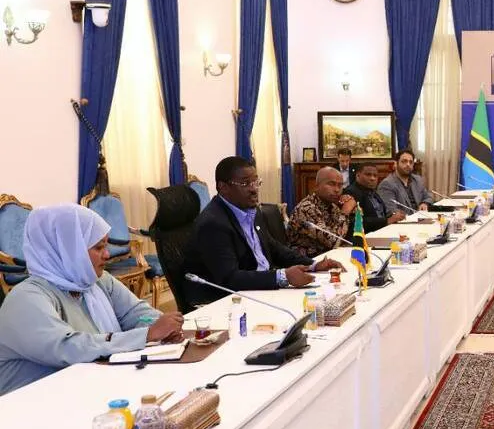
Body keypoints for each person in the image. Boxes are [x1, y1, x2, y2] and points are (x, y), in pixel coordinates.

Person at [0, 205, 184, 395]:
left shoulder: (96, 281)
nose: (107, 254)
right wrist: (147, 335)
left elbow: (135, 313)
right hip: (31, 403)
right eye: (98, 247)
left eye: (106, 245)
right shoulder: (26, 298)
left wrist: (163, 328)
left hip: (83, 390)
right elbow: (68, 348)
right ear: (68, 250)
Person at [181, 157, 343, 310]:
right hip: (228, 302)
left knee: (326, 302)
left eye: (255, 182)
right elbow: (229, 278)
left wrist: (313, 265)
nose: (254, 189)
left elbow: (274, 248)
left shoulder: (251, 211)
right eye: (245, 183)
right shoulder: (213, 223)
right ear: (223, 187)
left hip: (260, 289)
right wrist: (282, 276)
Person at [288, 167, 358, 255]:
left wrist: (351, 207)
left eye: (340, 185)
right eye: (331, 184)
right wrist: (345, 212)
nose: (337, 190)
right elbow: (334, 242)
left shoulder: (332, 206)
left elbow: (350, 234)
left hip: (327, 255)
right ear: (316, 186)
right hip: (308, 259)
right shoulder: (307, 208)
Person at [346, 164, 406, 232]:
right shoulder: (351, 192)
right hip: (367, 235)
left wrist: (394, 215)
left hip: (383, 230)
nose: (372, 178)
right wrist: (387, 220)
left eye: (375, 175)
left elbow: (381, 213)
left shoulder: (372, 192)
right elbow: (353, 222)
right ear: (358, 175)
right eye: (368, 175)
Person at [378, 148, 434, 216]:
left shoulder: (417, 179)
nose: (408, 164)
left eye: (411, 162)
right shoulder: (387, 184)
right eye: (404, 161)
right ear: (396, 164)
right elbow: (390, 210)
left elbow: (428, 196)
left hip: (421, 217)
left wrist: (425, 203)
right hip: (404, 220)